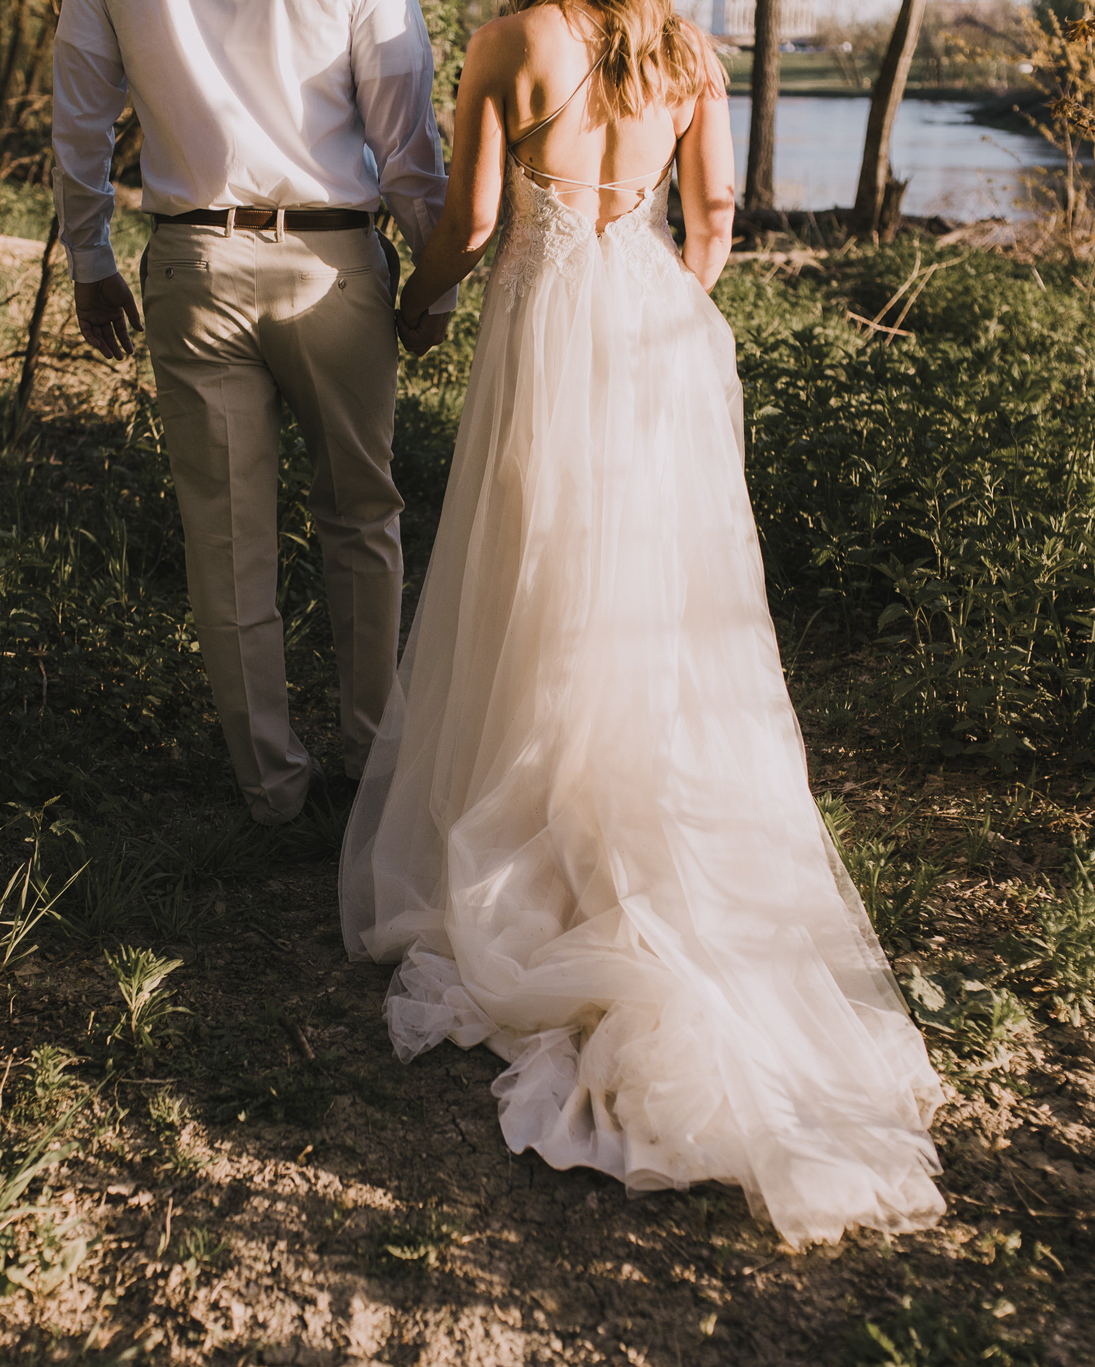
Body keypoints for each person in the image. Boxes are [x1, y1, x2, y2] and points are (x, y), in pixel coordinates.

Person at [337, 0, 948, 1243]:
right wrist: (663, 305)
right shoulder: (687, 53)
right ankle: (609, 803)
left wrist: (421, 301)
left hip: (547, 332)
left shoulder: (513, 43)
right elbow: (714, 219)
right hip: (658, 334)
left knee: (535, 571)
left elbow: (465, 222)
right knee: (645, 602)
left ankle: (538, 819)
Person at [53, 0, 455, 826]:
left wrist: (89, 254)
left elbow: (82, 113)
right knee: (362, 514)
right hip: (332, 260)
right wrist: (433, 275)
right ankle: (372, 762)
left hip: (193, 259)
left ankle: (271, 791)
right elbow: (404, 128)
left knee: (227, 536)